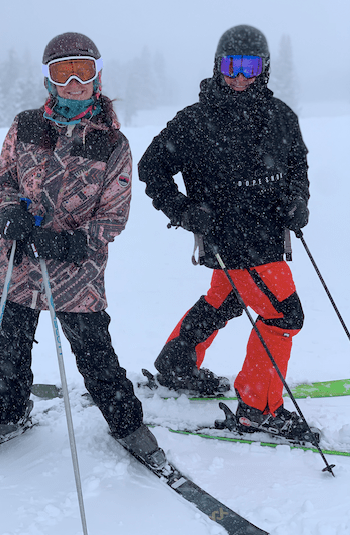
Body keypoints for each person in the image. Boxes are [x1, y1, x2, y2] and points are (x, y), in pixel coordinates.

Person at [0, 32, 166, 469]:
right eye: (62, 72)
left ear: (98, 75)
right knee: (10, 350)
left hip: (78, 273)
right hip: (18, 262)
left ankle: (127, 425)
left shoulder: (113, 145)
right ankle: (7, 415)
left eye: (83, 71)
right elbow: (5, 182)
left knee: (96, 356)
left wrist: (75, 242)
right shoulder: (25, 125)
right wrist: (9, 211)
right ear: (48, 80)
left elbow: (114, 215)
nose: (74, 82)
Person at [138, 25, 311, 440]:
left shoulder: (280, 115)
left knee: (225, 299)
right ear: (217, 67)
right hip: (230, 240)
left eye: (248, 66)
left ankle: (177, 365)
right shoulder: (196, 121)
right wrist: (181, 210)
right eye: (230, 65)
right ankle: (258, 408)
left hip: (267, 235)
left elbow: (297, 167)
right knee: (284, 314)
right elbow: (151, 168)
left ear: (263, 69)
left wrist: (297, 201)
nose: (239, 76)